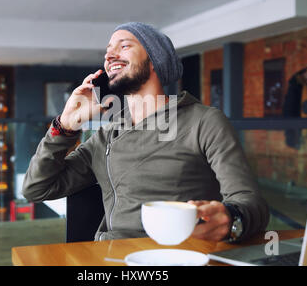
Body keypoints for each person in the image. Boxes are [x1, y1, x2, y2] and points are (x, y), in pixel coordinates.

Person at [23, 22, 269, 242]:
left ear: (154, 60)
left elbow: (250, 203)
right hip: (111, 257)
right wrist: (64, 127)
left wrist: (230, 218)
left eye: (124, 45)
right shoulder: (107, 134)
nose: (110, 54)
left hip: (180, 254)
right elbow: (37, 188)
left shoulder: (204, 121)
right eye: (108, 50)